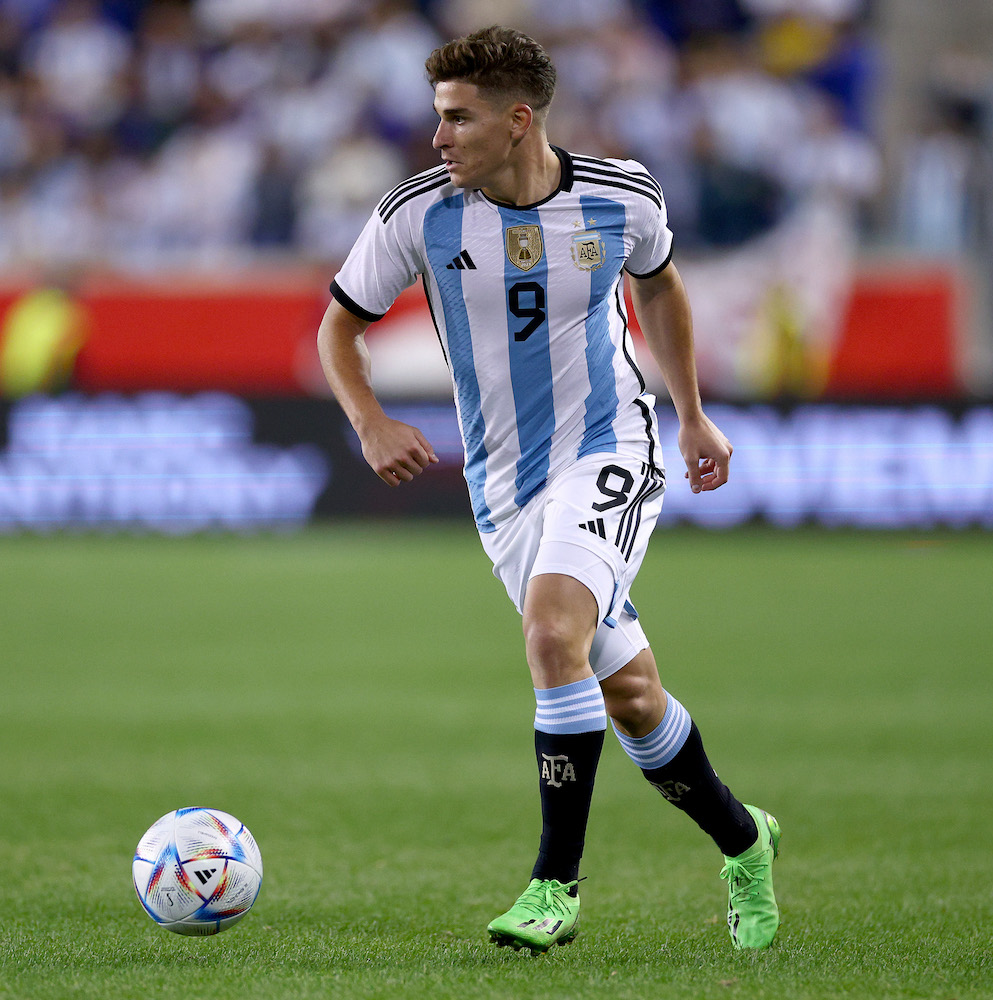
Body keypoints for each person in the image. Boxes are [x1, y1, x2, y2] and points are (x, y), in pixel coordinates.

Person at [316, 26, 782, 954]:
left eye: (457, 118)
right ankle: (745, 839)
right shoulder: (416, 214)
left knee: (550, 633)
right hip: (501, 484)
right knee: (633, 698)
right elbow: (338, 328)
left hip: (610, 447)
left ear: (517, 119)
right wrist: (369, 420)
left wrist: (690, 414)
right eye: (438, 117)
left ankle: (552, 887)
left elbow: (660, 290)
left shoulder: (622, 196)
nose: (438, 137)